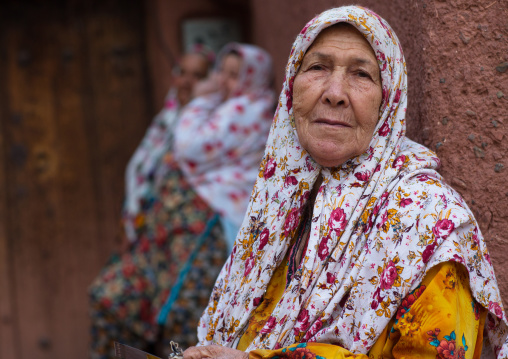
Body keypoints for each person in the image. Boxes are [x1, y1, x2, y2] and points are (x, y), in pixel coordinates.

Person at [183, 6, 508, 359]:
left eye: (361, 74)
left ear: (388, 101)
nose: (334, 92)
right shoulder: (280, 199)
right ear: (291, 88)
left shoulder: (428, 221)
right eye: (318, 67)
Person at [89, 43, 275, 359]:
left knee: (180, 323)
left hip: (198, 238)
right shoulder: (183, 113)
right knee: (109, 299)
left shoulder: (242, 110)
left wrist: (203, 101)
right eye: (222, 74)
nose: (223, 83)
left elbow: (190, 147)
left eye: (232, 75)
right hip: (156, 241)